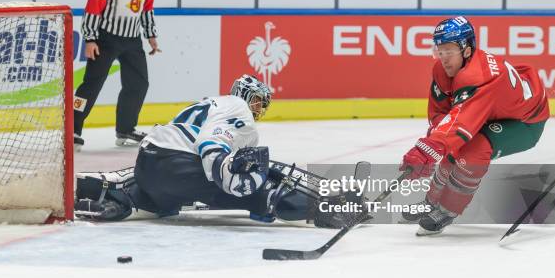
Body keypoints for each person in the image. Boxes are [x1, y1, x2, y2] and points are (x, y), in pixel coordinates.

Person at [74, 75, 363, 228]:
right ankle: (326, 207)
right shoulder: (237, 107)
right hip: (178, 165)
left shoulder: (212, 103)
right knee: (263, 190)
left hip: (150, 165)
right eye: (260, 101)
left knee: (161, 194)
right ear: (247, 96)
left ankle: (111, 193)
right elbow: (212, 145)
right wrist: (233, 176)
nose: (262, 108)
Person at [399, 16, 549, 235]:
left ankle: (447, 209)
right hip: (496, 111)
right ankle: (430, 202)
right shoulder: (442, 71)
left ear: (467, 50)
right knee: (453, 144)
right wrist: (435, 144)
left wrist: (428, 148)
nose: (443, 58)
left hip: (525, 122)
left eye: (449, 50)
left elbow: (461, 123)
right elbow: (441, 114)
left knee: (472, 149)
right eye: (440, 50)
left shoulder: (479, 76)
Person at [75, 0, 159, 150]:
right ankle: (72, 128)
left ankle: (125, 128)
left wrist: (150, 34)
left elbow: (146, 8)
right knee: (92, 84)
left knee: (138, 84)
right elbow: (92, 10)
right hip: (106, 39)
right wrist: (90, 39)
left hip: (132, 40)